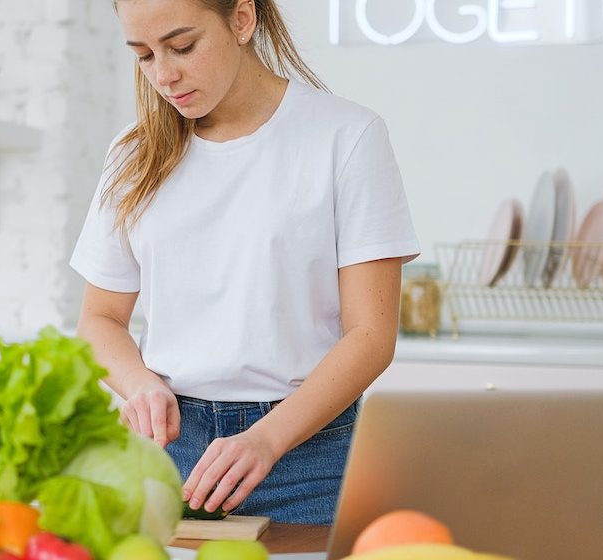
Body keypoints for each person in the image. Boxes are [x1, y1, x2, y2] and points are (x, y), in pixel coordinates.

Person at [70, 0, 419, 525]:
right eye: (143, 55)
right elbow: (99, 319)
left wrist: (266, 440)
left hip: (310, 459)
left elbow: (370, 336)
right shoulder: (132, 154)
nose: (164, 75)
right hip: (170, 455)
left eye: (182, 46)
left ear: (242, 19)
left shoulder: (346, 137)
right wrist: (139, 384)